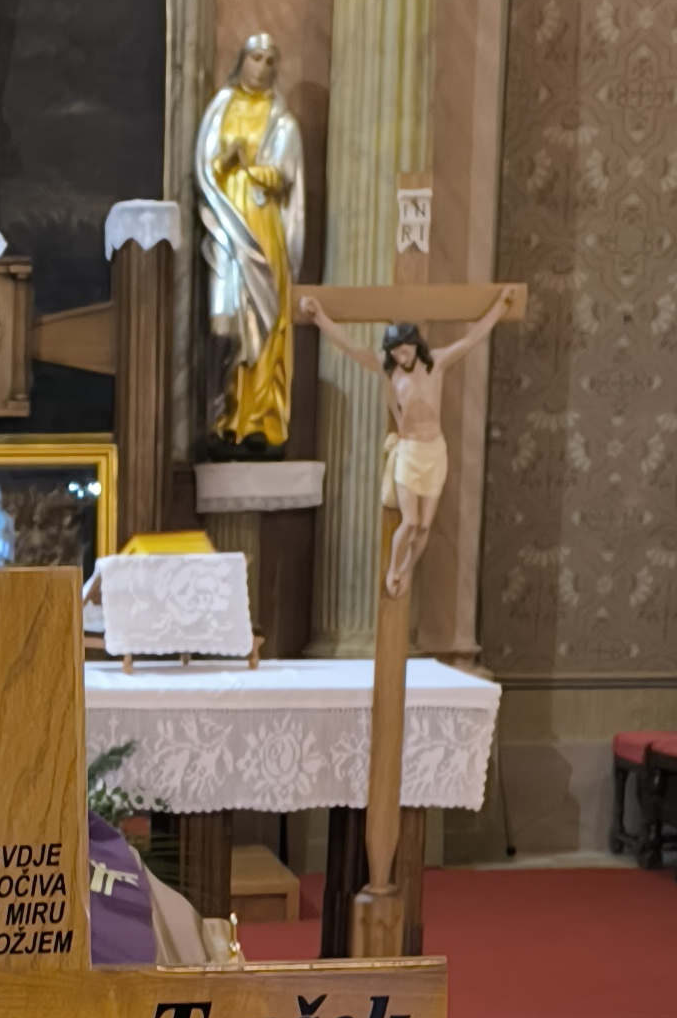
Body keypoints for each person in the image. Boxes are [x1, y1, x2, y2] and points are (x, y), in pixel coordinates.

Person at [296, 288, 518, 599]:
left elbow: (471, 339)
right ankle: (393, 569)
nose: (401, 357)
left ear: (415, 345)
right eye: (396, 353)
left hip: (434, 451)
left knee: (424, 525)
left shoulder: (436, 364)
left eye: (405, 351)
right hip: (410, 451)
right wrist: (319, 316)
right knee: (410, 520)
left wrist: (500, 307)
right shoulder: (388, 371)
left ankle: (406, 568)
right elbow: (351, 347)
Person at [194, 32, 307, 449]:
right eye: (254, 58)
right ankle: (225, 417)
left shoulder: (282, 119)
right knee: (226, 322)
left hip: (262, 228)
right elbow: (204, 165)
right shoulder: (221, 107)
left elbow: (285, 174)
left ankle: (260, 421)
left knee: (266, 320)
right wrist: (224, 162)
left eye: (268, 60)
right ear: (241, 60)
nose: (260, 67)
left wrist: (250, 168)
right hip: (227, 229)